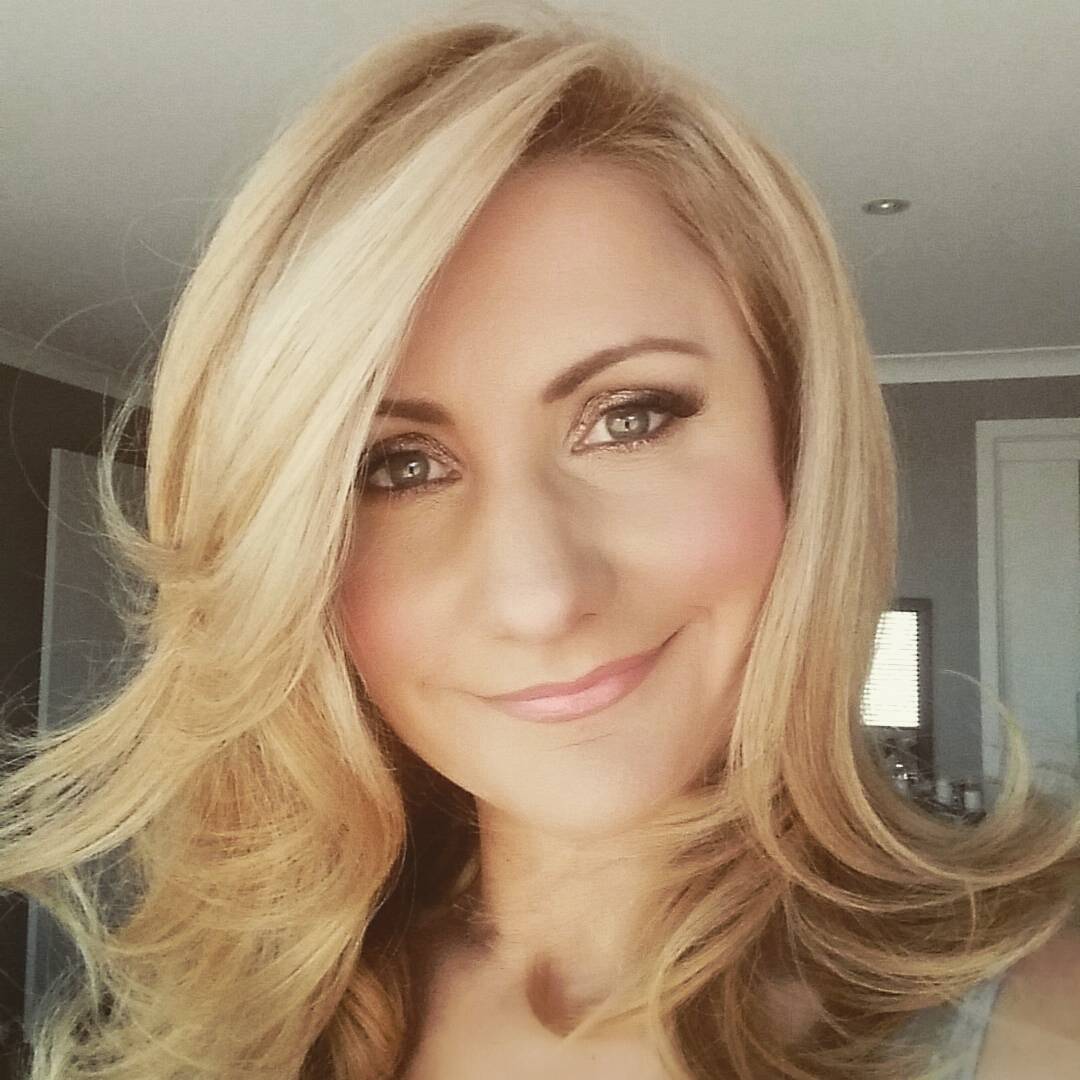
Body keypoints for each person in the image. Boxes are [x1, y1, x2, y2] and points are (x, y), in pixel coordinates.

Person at [2, 4, 1079, 1078]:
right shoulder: (213, 1029)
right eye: (398, 467)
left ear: (798, 440)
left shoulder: (1041, 1025)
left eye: (631, 417)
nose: (539, 596)